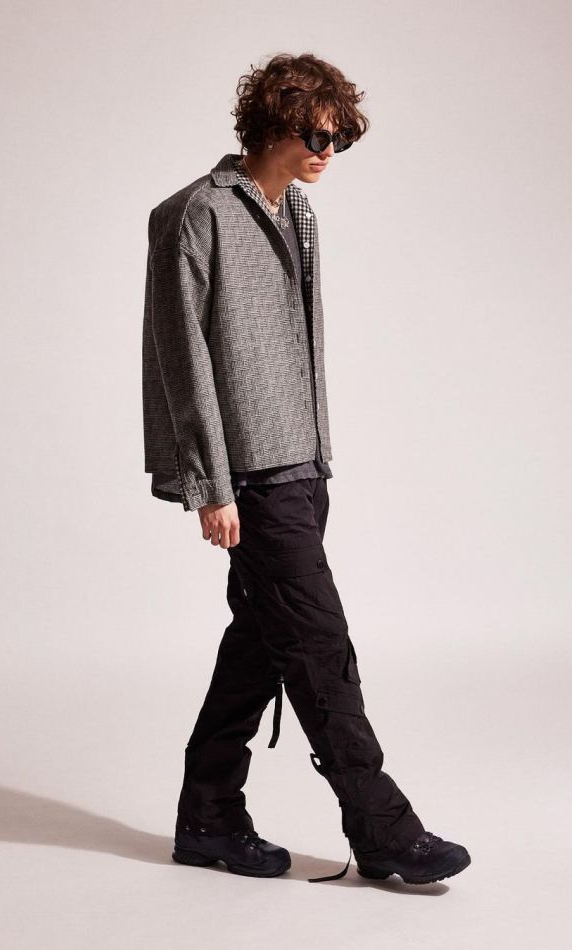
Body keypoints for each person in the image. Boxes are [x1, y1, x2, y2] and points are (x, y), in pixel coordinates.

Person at [142, 52, 471, 885]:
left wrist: (319, 457)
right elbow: (183, 359)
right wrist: (211, 486)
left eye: (339, 139)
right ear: (269, 125)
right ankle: (382, 829)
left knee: (261, 643)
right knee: (321, 646)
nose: (328, 152)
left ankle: (207, 817)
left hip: (304, 465)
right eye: (315, 135)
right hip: (250, 477)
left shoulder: (297, 211)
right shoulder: (194, 214)